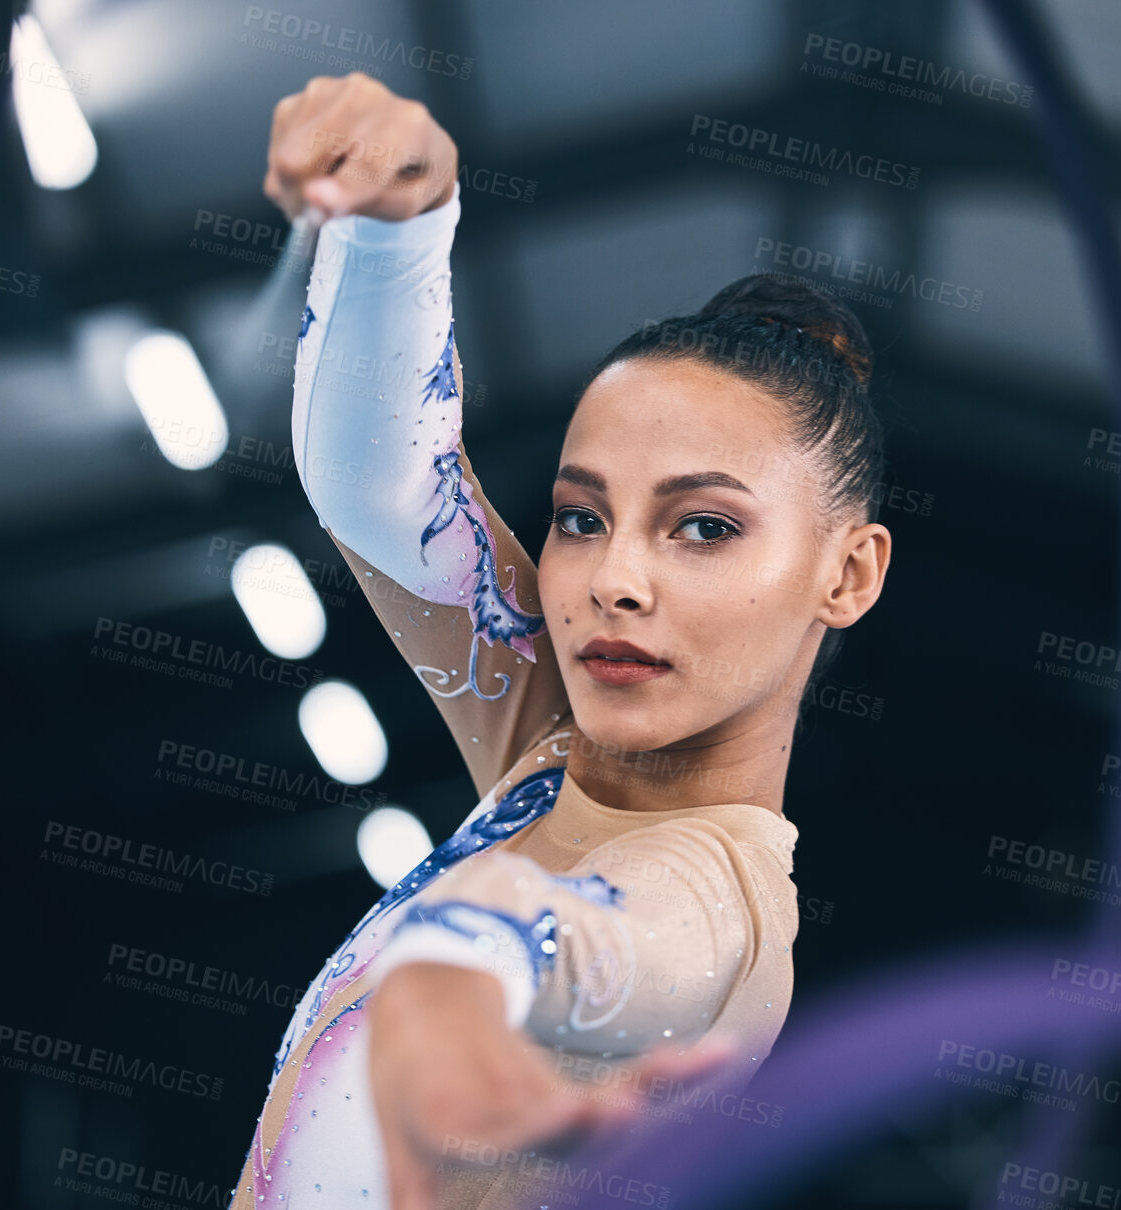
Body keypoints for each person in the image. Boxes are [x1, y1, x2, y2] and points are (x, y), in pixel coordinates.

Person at [230, 73, 892, 1210]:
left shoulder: (724, 908)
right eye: (582, 517)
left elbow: (602, 944)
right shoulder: (551, 742)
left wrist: (464, 957)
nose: (611, 582)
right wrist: (402, 222)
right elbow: (382, 487)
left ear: (846, 572)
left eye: (703, 526)